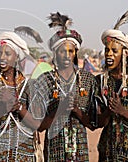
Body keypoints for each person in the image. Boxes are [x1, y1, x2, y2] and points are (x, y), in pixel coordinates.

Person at [31, 12, 99, 161]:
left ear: (76, 53)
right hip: (55, 151)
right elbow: (39, 126)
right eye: (62, 51)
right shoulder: (45, 80)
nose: (67, 55)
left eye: (71, 51)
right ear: (55, 53)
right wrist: (59, 109)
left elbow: (93, 124)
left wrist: (77, 111)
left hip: (80, 151)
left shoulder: (87, 80)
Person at [0, 31, 41, 162]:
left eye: (7, 54)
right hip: (1, 153)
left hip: (25, 153)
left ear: (17, 57)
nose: (2, 57)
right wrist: (2, 107)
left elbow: (37, 124)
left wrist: (19, 107)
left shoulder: (29, 85)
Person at [96, 22, 128, 162]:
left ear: (125, 54)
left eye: (114, 50)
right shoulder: (101, 82)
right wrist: (108, 111)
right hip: (107, 149)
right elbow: (98, 122)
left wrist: (122, 111)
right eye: (107, 50)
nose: (109, 54)